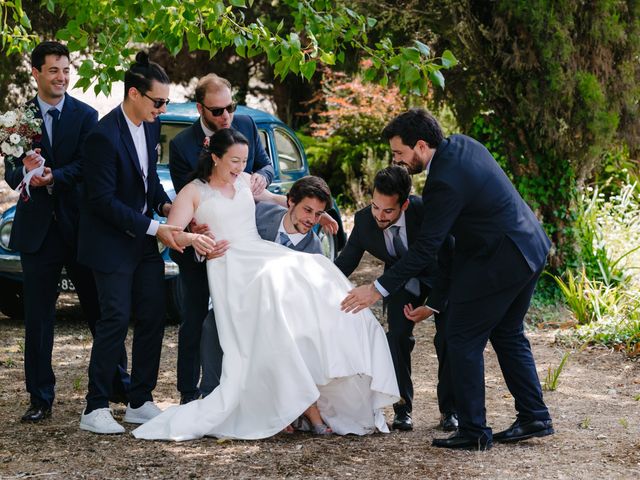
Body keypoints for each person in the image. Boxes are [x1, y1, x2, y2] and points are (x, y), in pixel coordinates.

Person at [132, 129, 399, 441]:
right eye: (234, 161)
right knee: (276, 284)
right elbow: (171, 232)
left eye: (245, 161)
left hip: (259, 252)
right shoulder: (193, 192)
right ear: (215, 157)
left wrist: (321, 215)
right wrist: (196, 238)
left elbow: (276, 198)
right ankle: (299, 404)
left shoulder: (244, 180)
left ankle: (336, 361)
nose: (240, 167)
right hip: (231, 264)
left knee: (314, 268)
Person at [341, 108, 554, 451]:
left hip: (500, 259)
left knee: (460, 336)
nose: (396, 160)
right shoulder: (463, 146)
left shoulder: (443, 182)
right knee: (508, 332)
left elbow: (427, 249)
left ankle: (473, 430)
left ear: (421, 146)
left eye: (399, 152)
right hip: (529, 247)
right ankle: (534, 415)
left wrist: (377, 289)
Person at [3, 41, 127, 423]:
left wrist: (53, 175)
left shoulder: (87, 116)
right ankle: (40, 398)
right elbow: (10, 173)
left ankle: (119, 386)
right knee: (38, 319)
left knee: (100, 311)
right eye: (53, 70)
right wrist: (25, 169)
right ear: (36, 72)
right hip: (37, 232)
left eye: (66, 70)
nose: (61, 77)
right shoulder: (18, 119)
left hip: (81, 230)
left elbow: (89, 169)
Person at [77, 52, 183, 434]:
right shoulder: (102, 137)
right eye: (159, 102)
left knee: (153, 314)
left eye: (167, 101)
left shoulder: (151, 127)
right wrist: (157, 229)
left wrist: (167, 205)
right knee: (115, 319)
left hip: (140, 238)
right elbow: (103, 202)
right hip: (109, 243)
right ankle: (94, 407)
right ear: (135, 94)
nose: (163, 108)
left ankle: (140, 400)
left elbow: (147, 181)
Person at [168, 73, 274, 405]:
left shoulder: (247, 125)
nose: (226, 115)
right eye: (217, 110)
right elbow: (190, 198)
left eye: (230, 107)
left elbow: (265, 166)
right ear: (200, 108)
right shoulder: (181, 145)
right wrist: (194, 234)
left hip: (245, 243)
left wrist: (258, 177)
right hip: (202, 245)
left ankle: (251, 386)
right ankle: (189, 391)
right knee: (196, 317)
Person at [334, 165, 457, 432]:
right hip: (400, 282)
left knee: (447, 338)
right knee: (397, 337)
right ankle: (402, 409)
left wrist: (433, 305)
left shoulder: (426, 213)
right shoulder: (365, 220)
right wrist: (313, 277)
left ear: (404, 205)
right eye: (375, 206)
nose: (379, 215)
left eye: (388, 210)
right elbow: (344, 264)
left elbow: (449, 260)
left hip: (440, 278)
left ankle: (450, 410)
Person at [199, 175, 330, 397]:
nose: (312, 220)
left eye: (318, 214)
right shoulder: (259, 214)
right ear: (290, 202)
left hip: (278, 315)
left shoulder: (314, 250)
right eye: (307, 210)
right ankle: (210, 394)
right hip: (240, 296)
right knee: (212, 323)